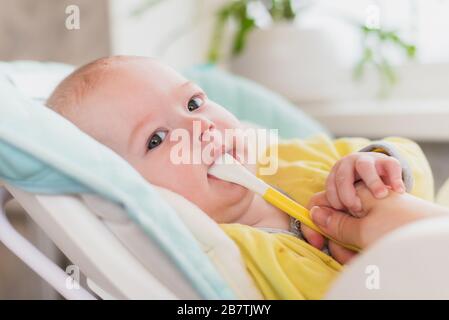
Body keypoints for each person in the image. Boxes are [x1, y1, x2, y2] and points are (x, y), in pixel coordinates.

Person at [46, 55, 435, 299]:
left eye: (194, 103)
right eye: (157, 139)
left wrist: (382, 165)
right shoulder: (231, 252)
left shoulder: (282, 158)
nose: (199, 127)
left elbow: (415, 162)